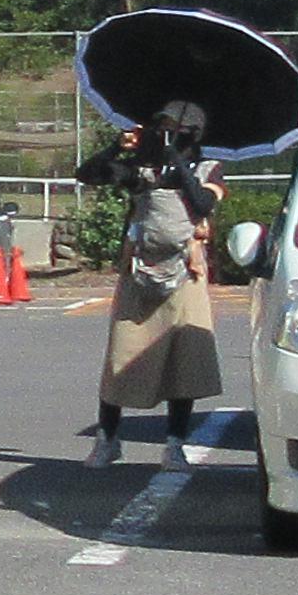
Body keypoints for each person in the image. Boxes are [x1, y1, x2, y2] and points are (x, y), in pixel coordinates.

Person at [89, 101, 224, 469]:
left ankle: (175, 443)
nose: (165, 134)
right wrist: (118, 148)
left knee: (184, 358)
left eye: (172, 128)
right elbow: (90, 174)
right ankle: (107, 438)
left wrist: (175, 163)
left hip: (186, 270)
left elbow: (202, 202)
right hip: (139, 268)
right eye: (160, 127)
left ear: (192, 133)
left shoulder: (208, 169)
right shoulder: (144, 168)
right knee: (123, 352)